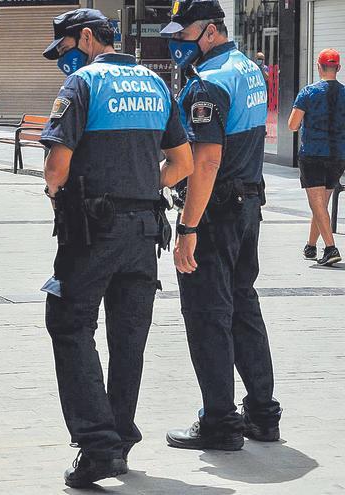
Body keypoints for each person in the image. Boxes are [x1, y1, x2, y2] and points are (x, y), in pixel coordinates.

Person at [39, 8, 194, 488]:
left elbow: (54, 169)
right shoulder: (155, 83)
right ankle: (119, 436)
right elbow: (183, 162)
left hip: (93, 231)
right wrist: (144, 185)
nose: (63, 60)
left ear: (87, 38)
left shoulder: (83, 85)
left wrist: (56, 193)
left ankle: (99, 446)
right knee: (128, 335)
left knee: (68, 323)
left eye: (65, 48)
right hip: (146, 230)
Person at [161, 0, 283, 451]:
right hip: (249, 204)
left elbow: (206, 161)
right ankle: (263, 414)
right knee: (243, 305)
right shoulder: (247, 68)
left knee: (208, 316)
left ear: (210, 31)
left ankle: (219, 423)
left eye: (183, 33)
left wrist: (188, 227)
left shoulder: (206, 83)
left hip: (215, 212)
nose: (177, 43)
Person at [288, 48, 344, 266]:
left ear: (318, 67)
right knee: (321, 203)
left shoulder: (308, 93)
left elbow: (293, 124)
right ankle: (311, 246)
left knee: (317, 203)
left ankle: (330, 248)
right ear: (338, 68)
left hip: (312, 153)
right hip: (338, 155)